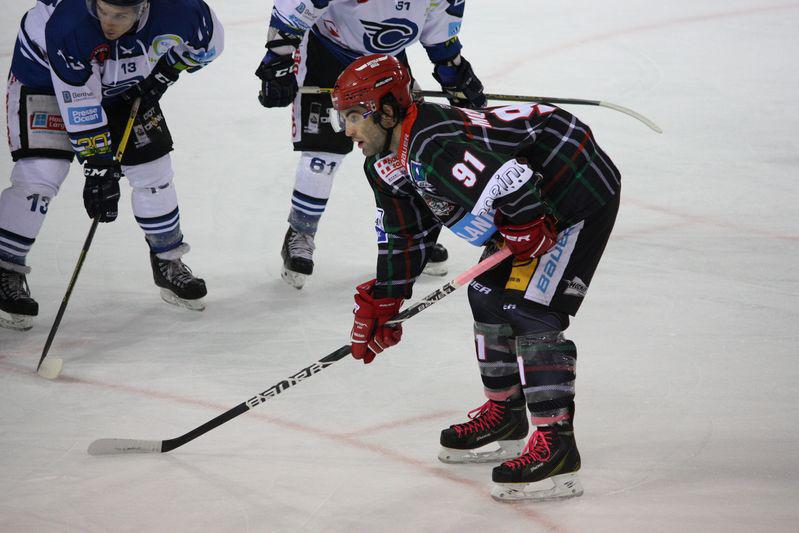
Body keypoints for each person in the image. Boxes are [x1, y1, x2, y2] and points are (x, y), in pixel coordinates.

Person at [333, 54, 621, 501]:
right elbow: (406, 233)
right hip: (528, 199)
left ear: (387, 111)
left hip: (573, 186)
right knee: (486, 294)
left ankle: (557, 445)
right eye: (343, 117)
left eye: (355, 115)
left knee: (529, 308)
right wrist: (386, 299)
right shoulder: (384, 163)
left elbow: (512, 182)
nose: (347, 129)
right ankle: (506, 413)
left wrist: (526, 223)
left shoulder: (434, 144)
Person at [0, 0, 224, 330]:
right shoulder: (70, 24)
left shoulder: (182, 10)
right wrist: (98, 166)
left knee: (154, 171)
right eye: (102, 11)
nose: (108, 22)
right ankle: (5, 267)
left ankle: (167, 259)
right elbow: (79, 101)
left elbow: (210, 43)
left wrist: (164, 73)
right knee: (42, 174)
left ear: (143, 7)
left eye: (120, 15)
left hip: (123, 83)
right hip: (44, 77)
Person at [255, 0, 487, 289]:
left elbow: (440, 34)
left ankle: (415, 235)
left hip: (384, 64)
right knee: (324, 154)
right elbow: (297, 7)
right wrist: (278, 60)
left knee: (404, 146)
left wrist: (454, 73)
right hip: (327, 54)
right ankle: (301, 232)